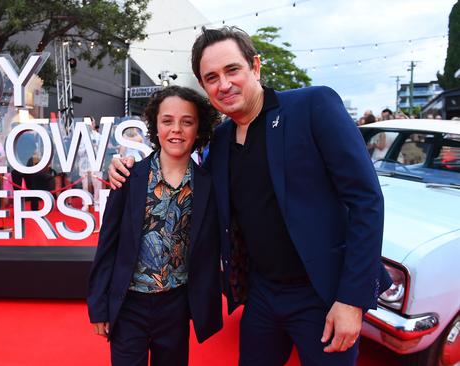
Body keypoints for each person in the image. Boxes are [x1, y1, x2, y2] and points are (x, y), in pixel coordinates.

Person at [109, 26, 391, 366]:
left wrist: (352, 299)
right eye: (211, 77)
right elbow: (181, 175)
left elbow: (366, 201)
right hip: (261, 297)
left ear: (255, 67)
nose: (224, 84)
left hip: (324, 296)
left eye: (232, 70)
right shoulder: (221, 141)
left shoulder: (312, 107)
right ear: (204, 85)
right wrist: (126, 167)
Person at [88, 86, 223, 366]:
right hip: (129, 305)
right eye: (167, 121)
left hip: (176, 305)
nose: (176, 129)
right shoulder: (128, 176)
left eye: (187, 121)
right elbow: (108, 245)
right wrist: (99, 307)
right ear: (155, 127)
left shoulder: (209, 185)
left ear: (199, 129)